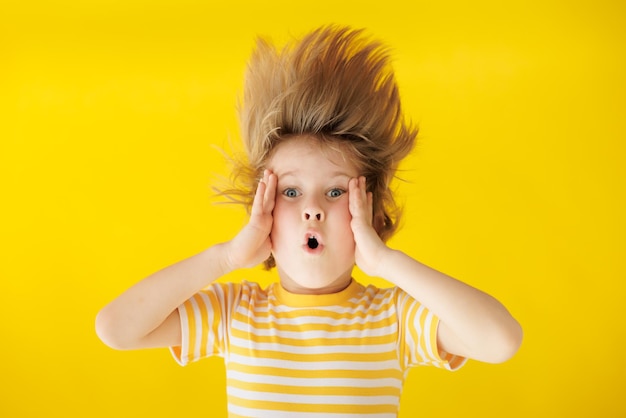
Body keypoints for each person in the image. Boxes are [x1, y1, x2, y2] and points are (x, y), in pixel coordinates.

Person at [96, 25, 523, 417]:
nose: (312, 209)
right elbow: (116, 329)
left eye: (336, 192)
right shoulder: (235, 313)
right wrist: (226, 257)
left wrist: (387, 263)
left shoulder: (393, 319)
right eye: (291, 192)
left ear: (369, 215)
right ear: (263, 216)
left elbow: (501, 340)